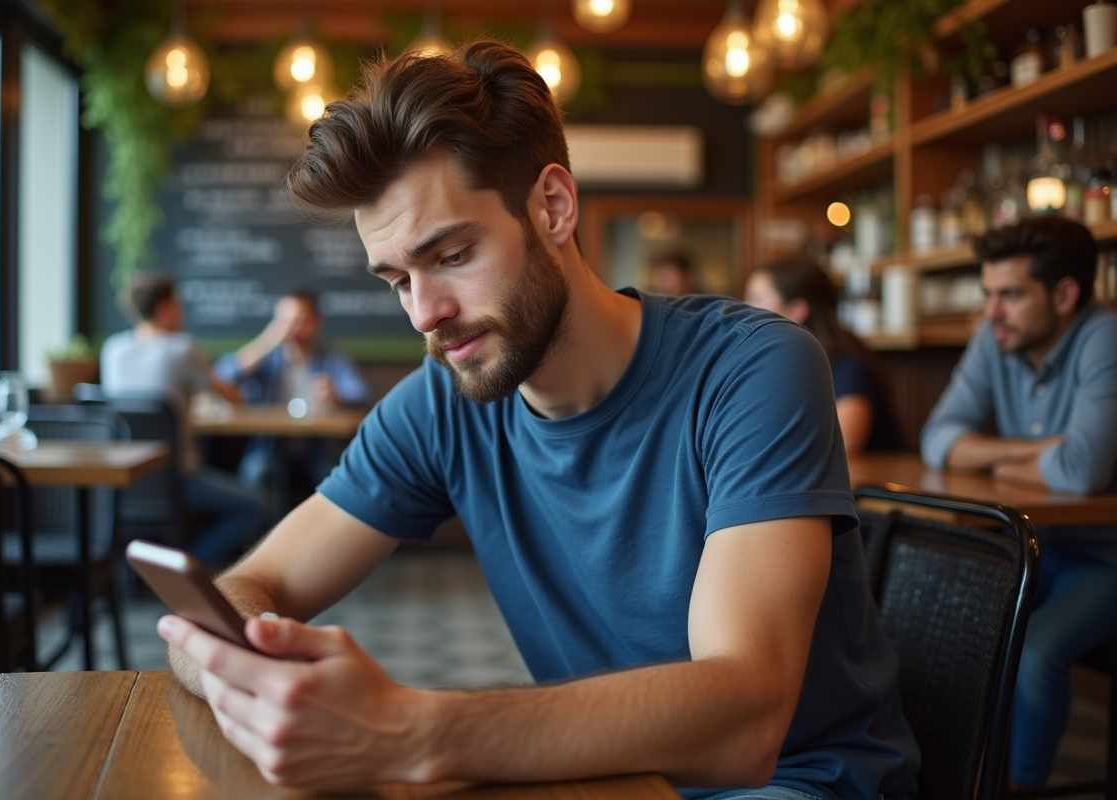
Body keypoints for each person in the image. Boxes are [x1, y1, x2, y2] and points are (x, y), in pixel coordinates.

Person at [157, 41, 919, 800]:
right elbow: (246, 585)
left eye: (452, 254)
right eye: (397, 281)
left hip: (796, 782)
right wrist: (254, 670)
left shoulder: (753, 369)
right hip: (603, 777)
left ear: (553, 206)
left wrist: (412, 731)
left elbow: (744, 726)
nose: (426, 314)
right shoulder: (443, 403)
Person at [920, 215, 1117, 792]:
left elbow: (1081, 472)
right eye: (987, 294)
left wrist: (985, 454)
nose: (991, 312)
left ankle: (1020, 790)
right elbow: (938, 440)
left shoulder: (1103, 335)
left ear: (1064, 294)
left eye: (1009, 294)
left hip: (1105, 560)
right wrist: (1033, 453)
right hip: (1032, 548)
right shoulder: (997, 337)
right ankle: (959, 778)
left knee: (1033, 656)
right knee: (943, 621)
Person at [101, 273, 266, 568]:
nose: (183, 310)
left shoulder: (112, 349)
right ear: (165, 309)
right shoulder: (181, 348)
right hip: (177, 478)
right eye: (179, 304)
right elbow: (231, 396)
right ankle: (187, 570)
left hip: (124, 483)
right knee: (257, 505)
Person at [215, 289, 372, 491]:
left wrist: (336, 396)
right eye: (283, 321)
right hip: (269, 446)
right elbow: (222, 377)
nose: (290, 328)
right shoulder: (268, 358)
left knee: (337, 481)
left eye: (299, 320)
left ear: (316, 323)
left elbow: (362, 395)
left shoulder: (331, 357)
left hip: (317, 449)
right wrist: (268, 340)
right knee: (254, 473)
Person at [744, 257, 902, 455]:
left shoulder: (849, 367)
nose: (745, 308)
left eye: (756, 299)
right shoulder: (783, 367)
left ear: (796, 310)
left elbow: (846, 444)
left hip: (863, 483)